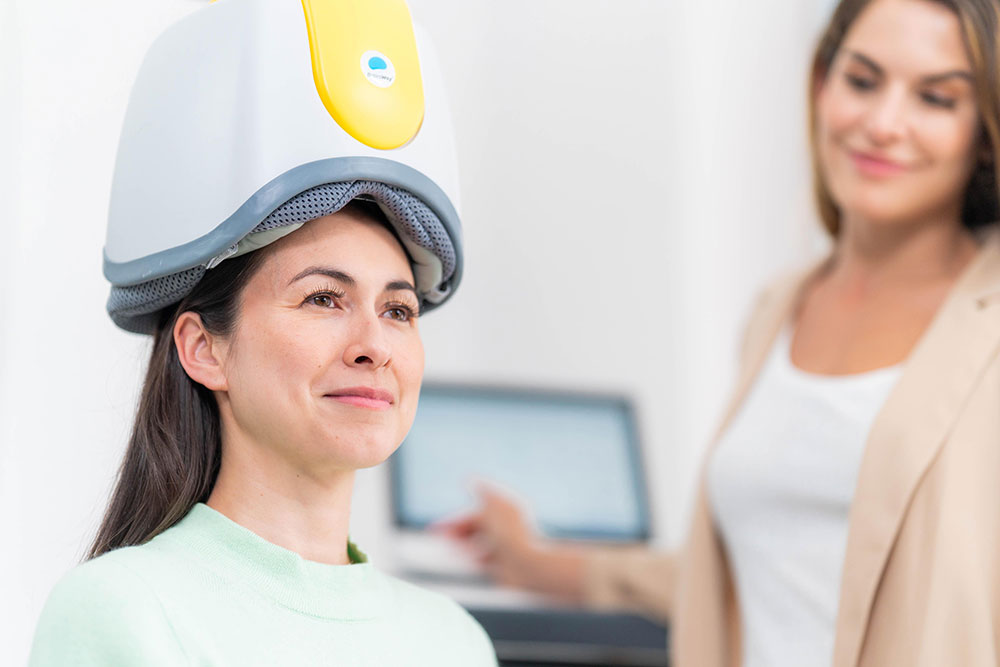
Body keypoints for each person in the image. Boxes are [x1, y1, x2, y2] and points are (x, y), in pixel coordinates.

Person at [440, 0, 1000, 665]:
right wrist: (542, 561)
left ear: (983, 131)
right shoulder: (778, 309)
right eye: (862, 80)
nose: (882, 123)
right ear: (821, 85)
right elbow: (742, 578)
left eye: (936, 98)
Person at [29, 1, 496, 665]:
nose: (375, 345)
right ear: (202, 347)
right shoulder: (124, 610)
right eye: (323, 297)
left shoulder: (455, 641)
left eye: (397, 309)